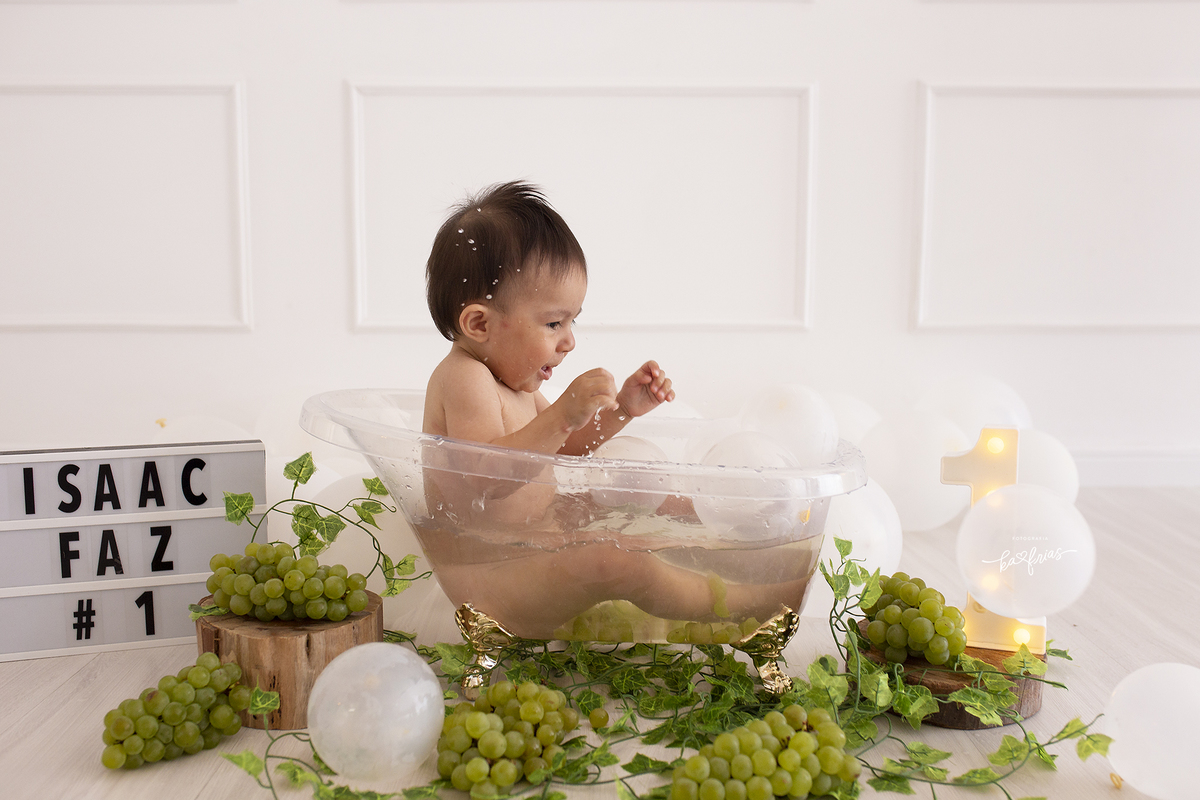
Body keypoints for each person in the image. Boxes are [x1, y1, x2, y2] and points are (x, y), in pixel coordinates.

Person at [418, 182, 799, 640]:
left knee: (658, 507)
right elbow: (484, 477)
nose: (569, 340)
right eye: (554, 322)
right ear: (479, 323)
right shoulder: (466, 379)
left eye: (573, 320)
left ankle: (749, 553)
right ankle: (744, 605)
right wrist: (560, 413)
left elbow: (566, 449)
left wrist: (622, 410)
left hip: (535, 540)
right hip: (493, 575)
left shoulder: (513, 383)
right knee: (612, 560)